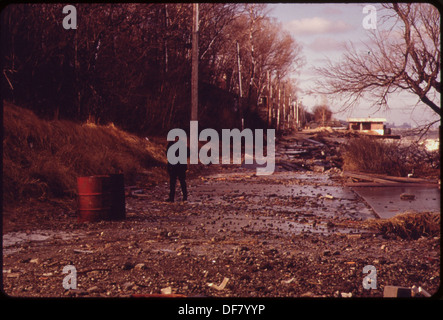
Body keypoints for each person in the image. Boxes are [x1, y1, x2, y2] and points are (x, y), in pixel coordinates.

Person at [166, 137, 189, 202]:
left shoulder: (182, 145)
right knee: (172, 182)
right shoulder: (171, 144)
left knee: (182, 182)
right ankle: (171, 198)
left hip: (180, 166)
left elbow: (187, 154)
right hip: (174, 166)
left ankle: (184, 197)